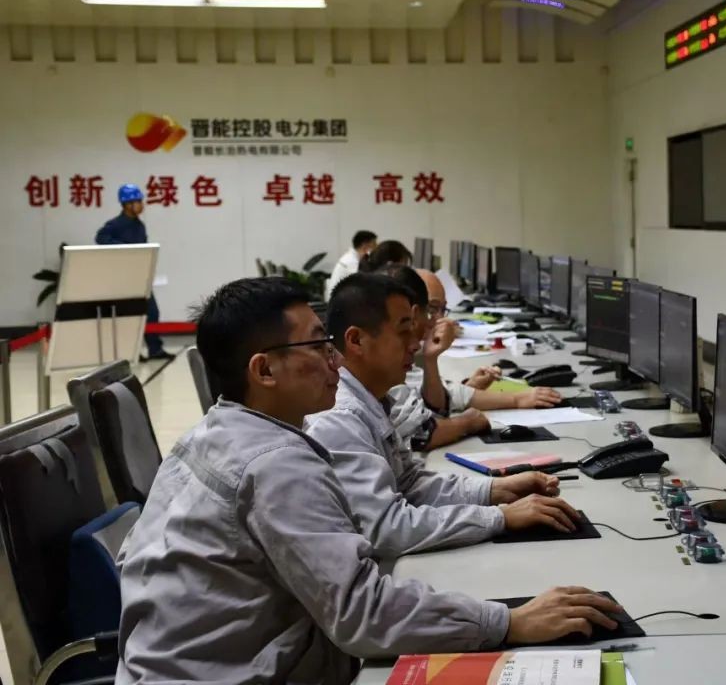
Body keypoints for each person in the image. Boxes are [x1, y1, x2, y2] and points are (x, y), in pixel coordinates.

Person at [115, 276, 620, 684]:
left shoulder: (215, 432)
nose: (335, 358)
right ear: (264, 371)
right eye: (318, 344)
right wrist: (511, 622)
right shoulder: (274, 463)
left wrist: (492, 495)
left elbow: (403, 489)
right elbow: (362, 613)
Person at [305, 272, 584, 558]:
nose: (415, 344)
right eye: (403, 331)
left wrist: (494, 490)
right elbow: (387, 530)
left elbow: (409, 485)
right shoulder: (340, 418)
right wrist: (500, 517)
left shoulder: (373, 399)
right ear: (356, 340)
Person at [380, 265, 561, 452]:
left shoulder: (402, 356)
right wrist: (469, 421)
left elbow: (434, 408)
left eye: (442, 309)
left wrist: (432, 361)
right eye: (431, 309)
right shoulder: (386, 363)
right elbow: (421, 433)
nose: (436, 319)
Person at [95, 183, 170, 361]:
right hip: (124, 279)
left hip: (141, 276)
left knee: (152, 313)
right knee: (129, 316)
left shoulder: (139, 226)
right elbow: (100, 238)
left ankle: (155, 349)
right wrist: (125, 249)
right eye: (137, 201)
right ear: (127, 204)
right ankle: (130, 353)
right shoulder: (115, 225)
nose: (141, 205)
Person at [326, 230, 378, 299]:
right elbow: (362, 284)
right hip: (340, 301)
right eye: (374, 243)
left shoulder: (353, 258)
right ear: (364, 244)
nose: (376, 246)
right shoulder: (351, 261)